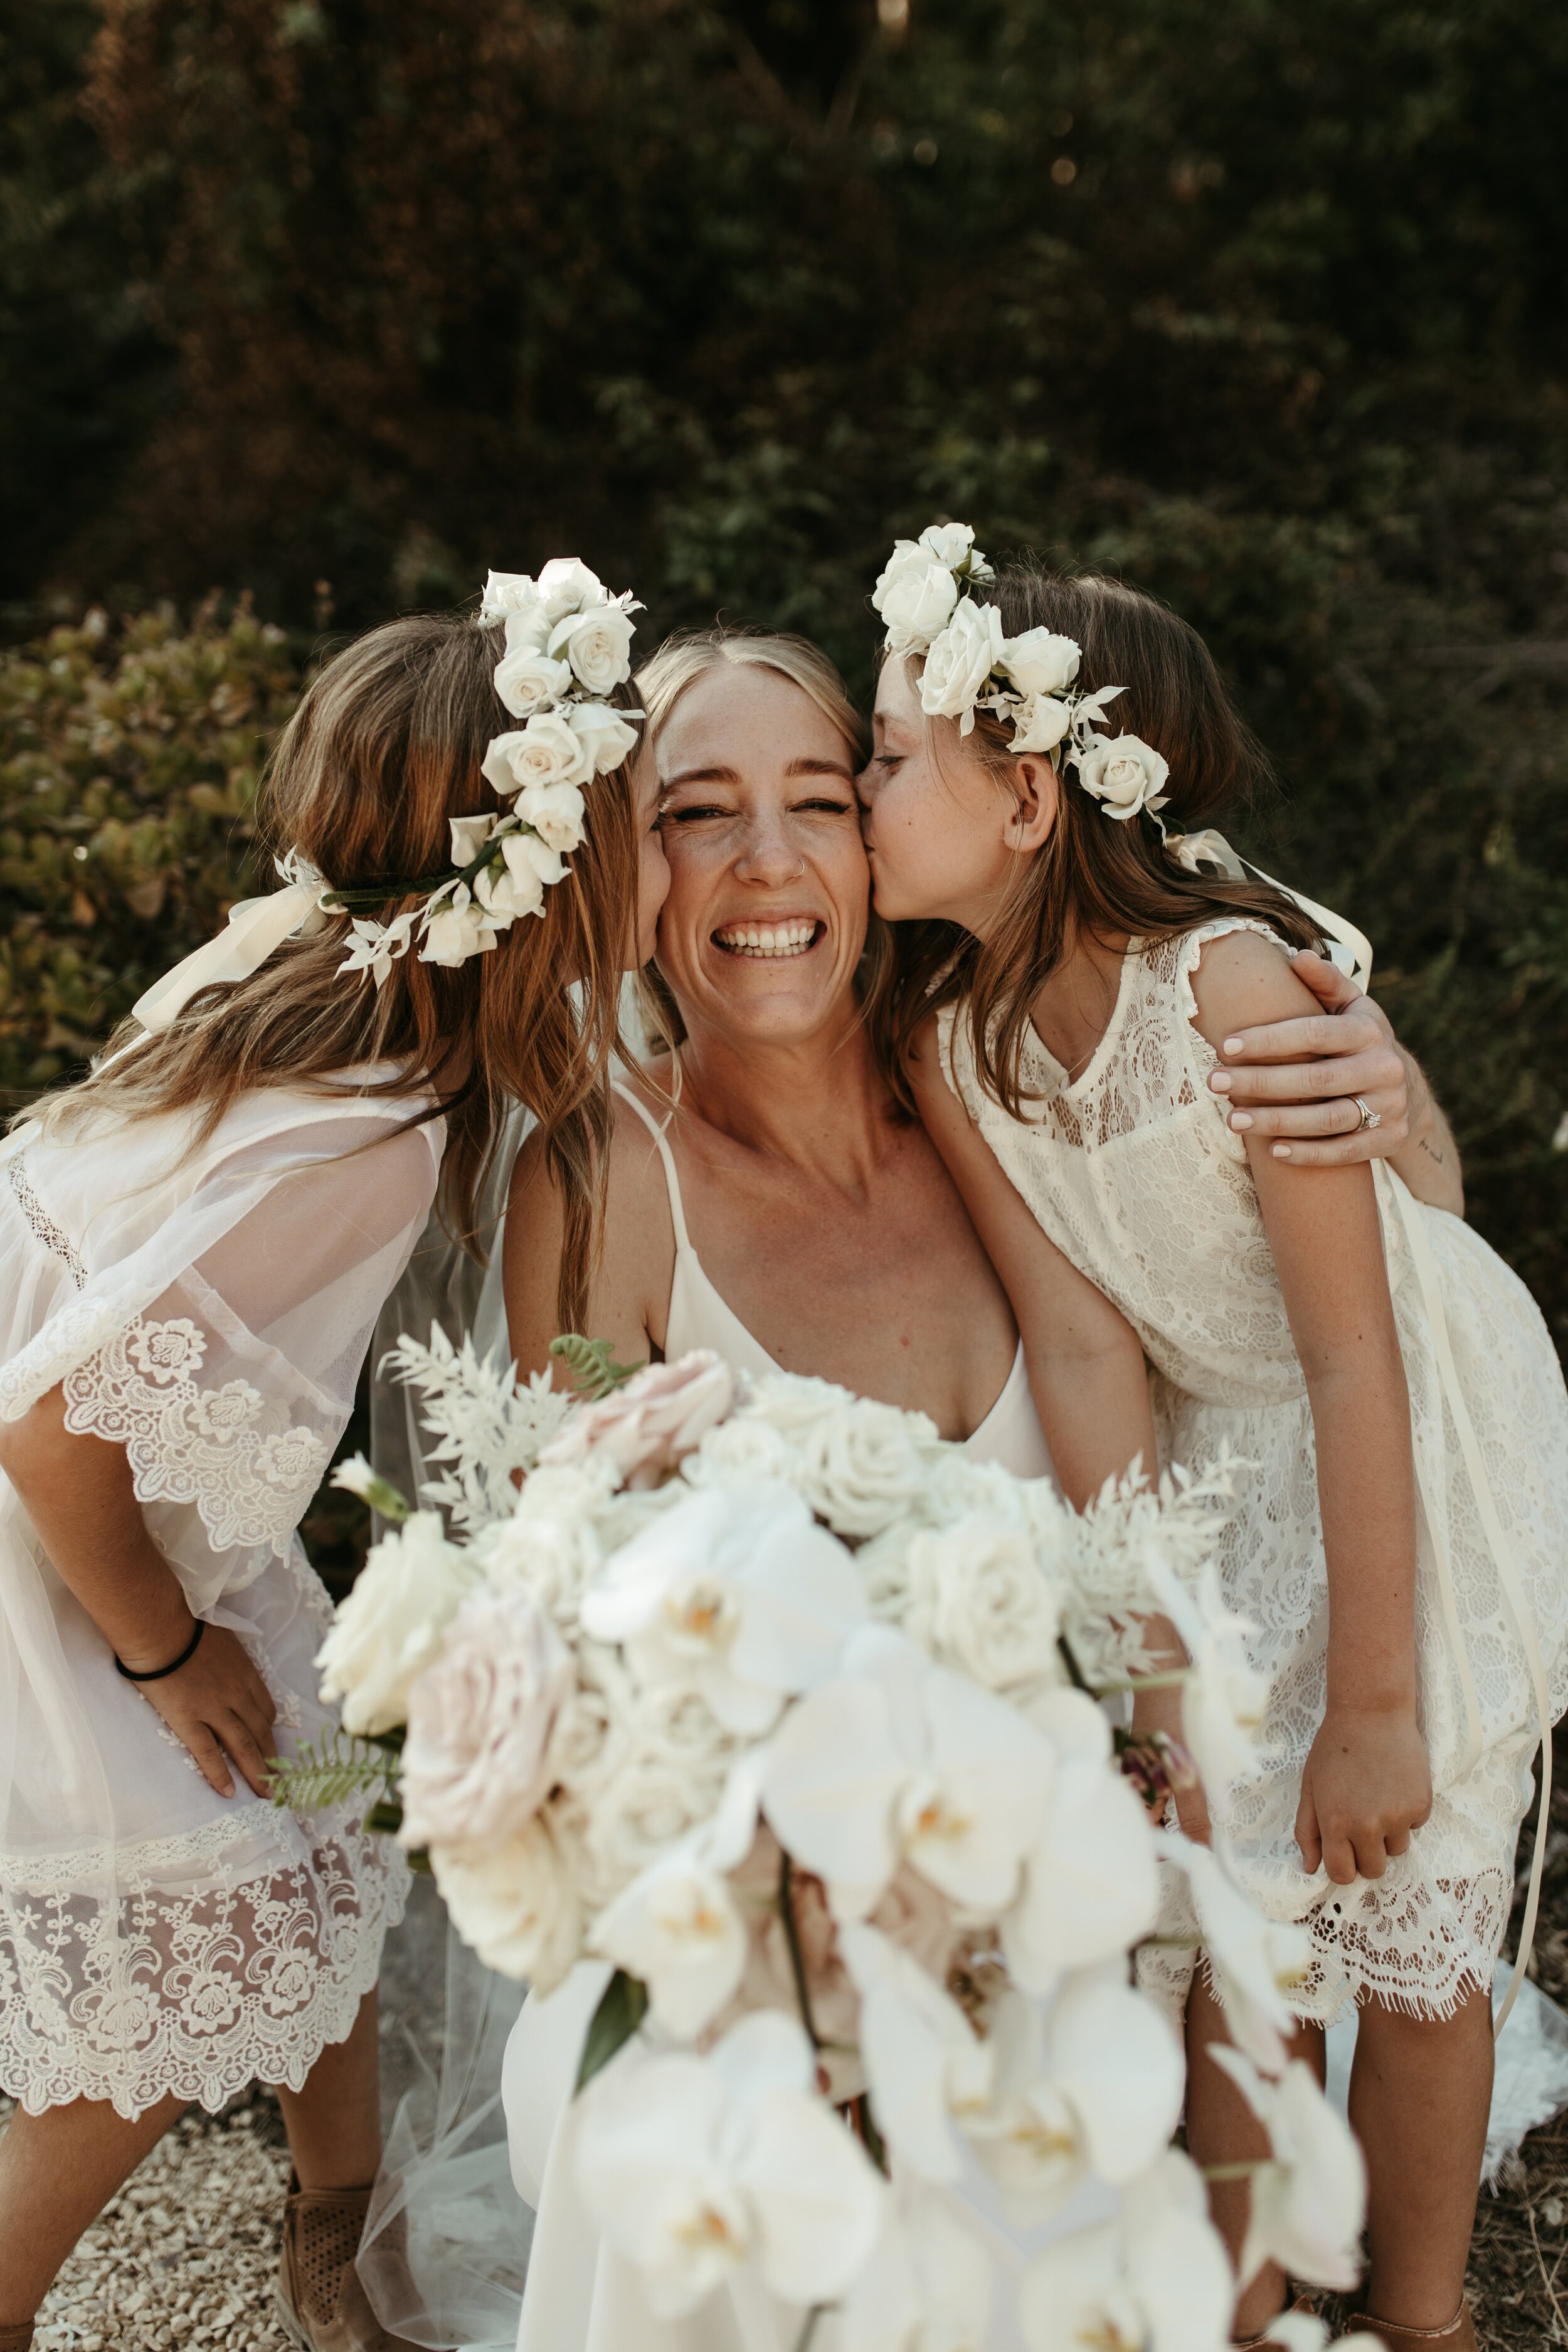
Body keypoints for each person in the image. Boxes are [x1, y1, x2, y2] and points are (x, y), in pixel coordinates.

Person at [490, 623, 1456, 2352]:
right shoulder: (601, 1172)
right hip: (774, 1951)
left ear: (884, 840)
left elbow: (1356, 1262)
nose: (768, 860)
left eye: (815, 798)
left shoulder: (994, 1081)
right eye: (700, 812)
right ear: (631, 866)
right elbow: (578, 1652)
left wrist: (1395, 1098)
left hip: (1084, 1906)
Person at [857, 531, 1568, 2352]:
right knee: (1232, 1908)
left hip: (1415, 1433)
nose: (858, 797)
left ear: (1025, 798)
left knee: (1407, 1915)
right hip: (1220, 1454)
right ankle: (1247, 2317)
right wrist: (1147, 1659)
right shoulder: (954, 1042)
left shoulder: (1235, 996)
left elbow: (1355, 1359)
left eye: (881, 760)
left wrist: (1380, 1699)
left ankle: (1423, 2320)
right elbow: (1088, 1351)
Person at [0, 564, 665, 2352]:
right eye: (629, 836)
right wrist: (161, 1650)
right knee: (204, 1943)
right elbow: (45, 1427)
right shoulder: (358, 1136)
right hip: (68, 1547)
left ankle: (336, 2210)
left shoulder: (308, 974)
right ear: (546, 877)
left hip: (147, 1517)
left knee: (328, 1838)